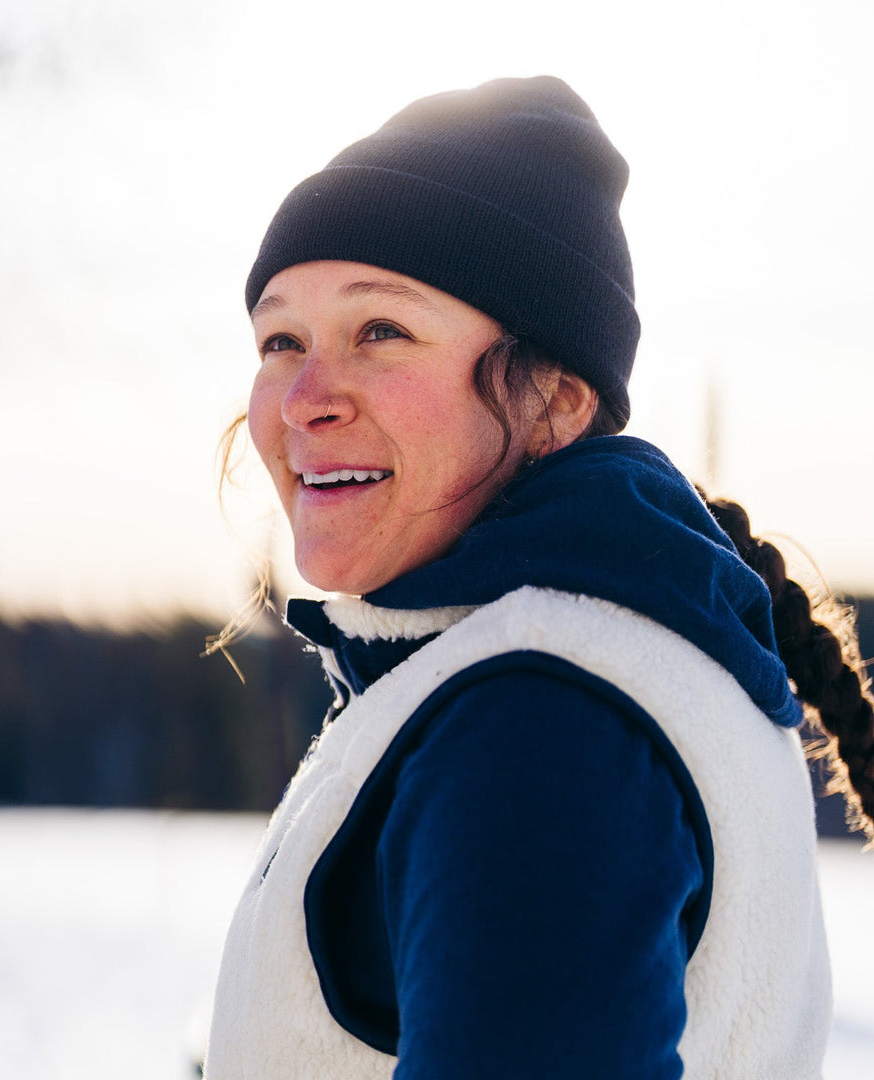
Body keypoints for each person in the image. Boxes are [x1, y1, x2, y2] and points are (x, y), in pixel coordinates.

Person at [203, 76, 874, 1079]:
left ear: (557, 399)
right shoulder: (598, 663)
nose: (302, 398)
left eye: (379, 331)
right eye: (279, 341)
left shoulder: (538, 722)